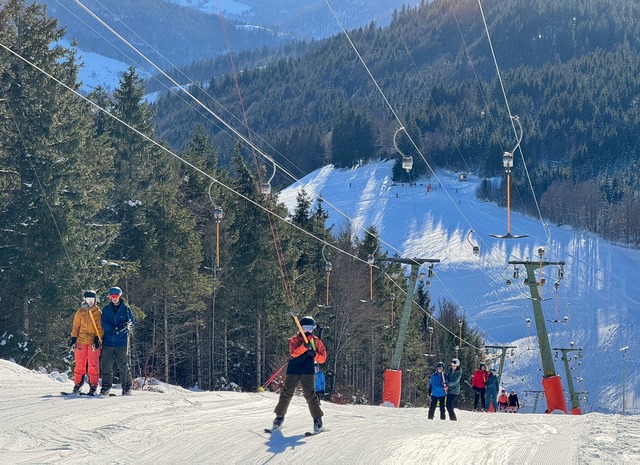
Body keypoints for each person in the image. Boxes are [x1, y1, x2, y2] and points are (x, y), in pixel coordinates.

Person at [272, 316, 327, 434]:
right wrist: (304, 347)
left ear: (313, 329)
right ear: (300, 328)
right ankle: (279, 417)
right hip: (294, 369)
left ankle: (318, 420)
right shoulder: (294, 340)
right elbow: (294, 353)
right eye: (305, 328)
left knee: (310, 395)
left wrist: (314, 354)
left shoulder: (316, 341)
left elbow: (323, 359)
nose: (307, 330)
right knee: (287, 393)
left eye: (310, 328)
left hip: (308, 370)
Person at [100, 286, 135, 396]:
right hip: (108, 341)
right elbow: (104, 323)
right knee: (106, 365)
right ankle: (106, 387)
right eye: (112, 296)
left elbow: (131, 322)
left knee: (123, 365)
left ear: (119, 296)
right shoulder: (106, 310)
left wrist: (128, 326)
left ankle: (127, 387)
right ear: (110, 297)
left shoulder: (126, 309)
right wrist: (114, 329)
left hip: (121, 342)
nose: (114, 298)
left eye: (116, 296)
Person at [69, 290, 103, 395]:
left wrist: (98, 339)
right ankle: (77, 384)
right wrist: (73, 339)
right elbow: (76, 327)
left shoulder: (98, 312)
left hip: (93, 342)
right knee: (80, 364)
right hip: (81, 341)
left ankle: (93, 386)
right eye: (88, 299)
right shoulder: (80, 312)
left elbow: (100, 328)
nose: (90, 302)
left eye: (92, 299)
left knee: (93, 365)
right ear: (84, 300)